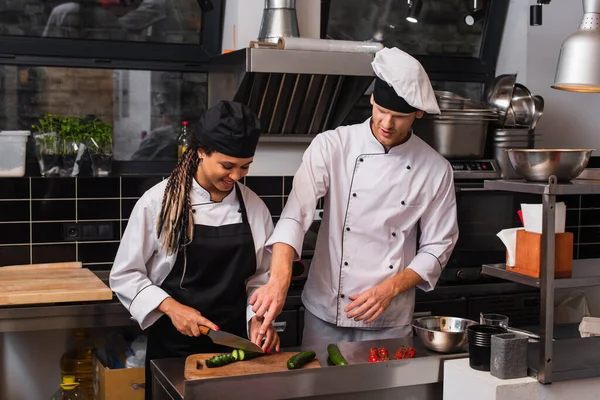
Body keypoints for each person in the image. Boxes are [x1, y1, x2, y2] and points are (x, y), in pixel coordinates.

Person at [249, 47, 459, 347]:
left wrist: (389, 289)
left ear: (418, 113)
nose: (387, 123)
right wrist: (279, 280)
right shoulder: (333, 145)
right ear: (372, 100)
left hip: (389, 318)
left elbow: (439, 245)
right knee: (321, 391)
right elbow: (296, 215)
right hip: (325, 311)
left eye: (399, 116)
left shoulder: (435, 169)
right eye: (381, 110)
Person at [109, 101, 280, 400]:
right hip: (173, 349)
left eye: (245, 167)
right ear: (201, 151)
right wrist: (172, 308)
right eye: (227, 166)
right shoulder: (158, 203)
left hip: (235, 347)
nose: (236, 176)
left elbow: (259, 278)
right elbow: (125, 275)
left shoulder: (253, 207)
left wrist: (257, 318)